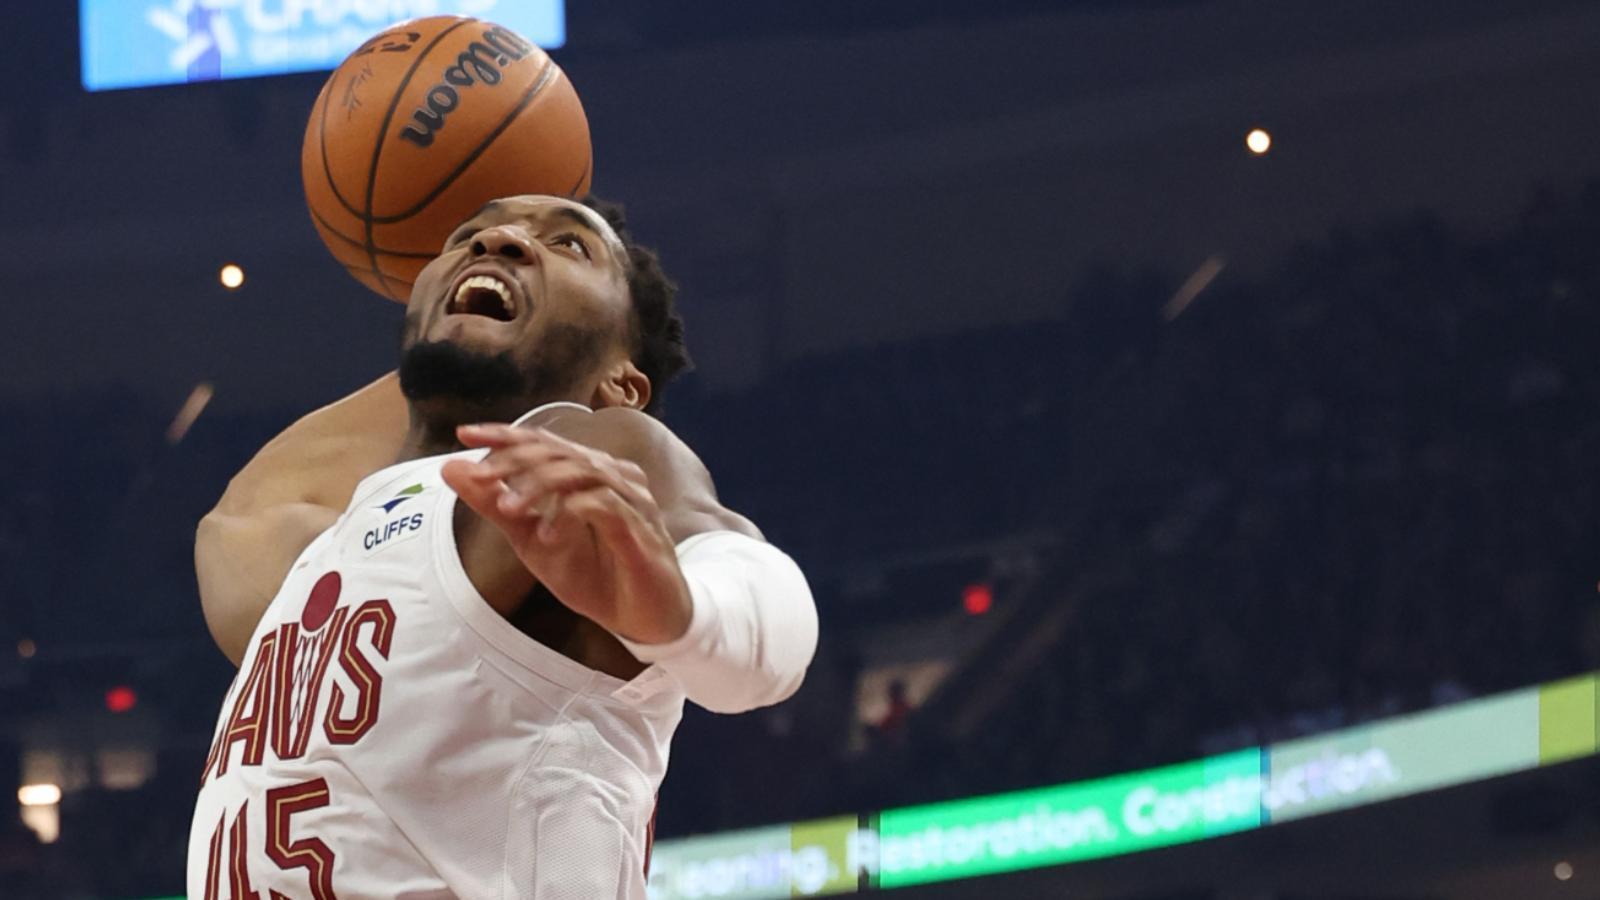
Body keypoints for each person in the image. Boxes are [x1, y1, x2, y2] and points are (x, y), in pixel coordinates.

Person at [187, 195, 819, 899]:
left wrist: (677, 611)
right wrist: (465, 313)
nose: (503, 241)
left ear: (623, 381)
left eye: (571, 246)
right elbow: (235, 518)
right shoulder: (315, 554)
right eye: (469, 237)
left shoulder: (592, 455)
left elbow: (769, 616)